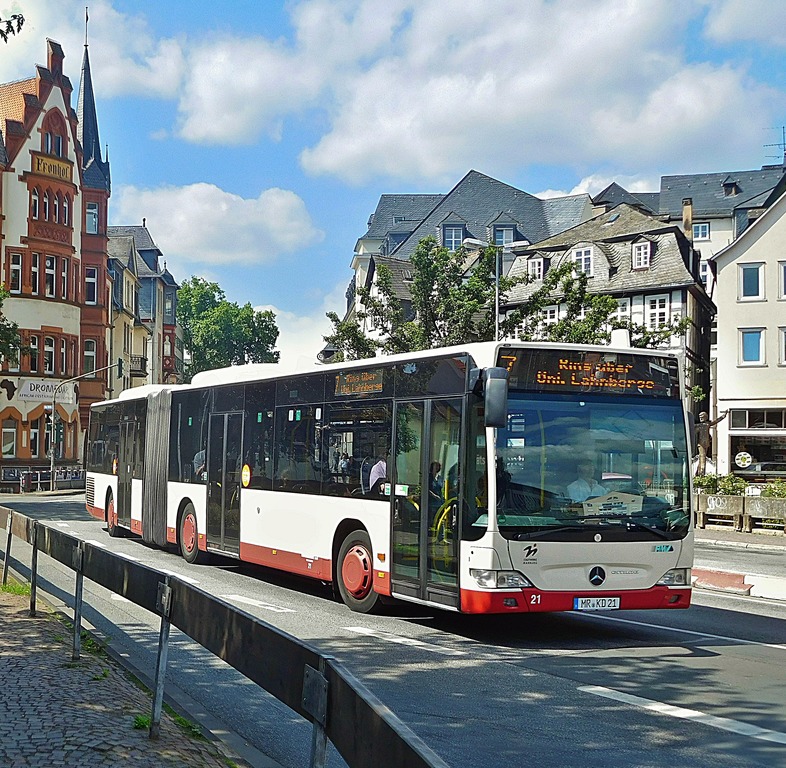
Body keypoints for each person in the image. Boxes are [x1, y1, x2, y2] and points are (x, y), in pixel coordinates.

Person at [695, 410, 728, 476]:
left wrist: (723, 416)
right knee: (702, 458)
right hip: (701, 444)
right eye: (700, 417)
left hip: (705, 443)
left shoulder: (706, 424)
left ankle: (699, 473)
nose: (700, 418)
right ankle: (701, 473)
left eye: (702, 417)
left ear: (705, 417)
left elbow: (716, 421)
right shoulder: (699, 425)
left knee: (702, 458)